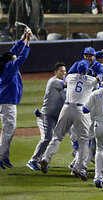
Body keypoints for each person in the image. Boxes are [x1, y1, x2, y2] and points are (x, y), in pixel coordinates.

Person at [40, 60, 99, 181]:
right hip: (81, 110)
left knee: (57, 136)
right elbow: (97, 87)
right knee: (83, 141)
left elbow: (67, 80)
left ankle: (46, 157)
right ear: (88, 69)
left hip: (66, 108)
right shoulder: (92, 80)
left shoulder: (70, 76)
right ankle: (81, 169)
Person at [26, 63, 67, 171]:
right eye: (61, 71)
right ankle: (33, 161)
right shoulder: (53, 81)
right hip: (46, 116)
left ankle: (40, 160)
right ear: (56, 72)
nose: (63, 73)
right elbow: (67, 84)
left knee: (52, 139)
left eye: (65, 71)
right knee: (46, 139)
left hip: (55, 117)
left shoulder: (62, 85)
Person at [0, 29, 31, 169]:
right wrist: (28, 42)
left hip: (4, 100)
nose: (14, 56)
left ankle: (3, 156)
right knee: (9, 129)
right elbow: (21, 58)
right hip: (7, 102)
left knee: (8, 129)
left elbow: (12, 52)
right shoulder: (10, 66)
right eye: (13, 57)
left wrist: (22, 38)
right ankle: (2, 157)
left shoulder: (5, 64)